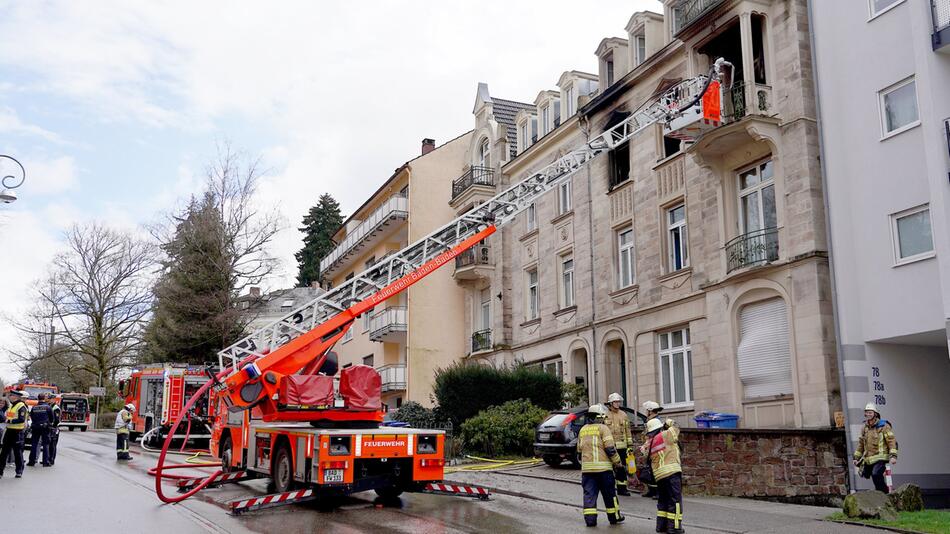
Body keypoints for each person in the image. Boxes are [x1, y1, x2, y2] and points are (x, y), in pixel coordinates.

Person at [577, 404, 625, 527]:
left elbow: (579, 450)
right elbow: (610, 449)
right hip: (604, 470)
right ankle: (614, 517)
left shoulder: (583, 430)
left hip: (587, 471)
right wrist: (618, 463)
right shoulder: (603, 428)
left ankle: (590, 520)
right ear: (600, 416)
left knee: (589, 496)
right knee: (609, 495)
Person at [642, 417, 684, 534]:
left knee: (663, 500)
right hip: (671, 472)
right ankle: (674, 527)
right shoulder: (666, 434)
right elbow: (676, 427)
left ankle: (661, 526)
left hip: (659, 476)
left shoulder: (649, 442)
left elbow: (645, 455)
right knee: (675, 501)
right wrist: (668, 422)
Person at [853, 402, 897, 493]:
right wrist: (856, 458)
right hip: (869, 459)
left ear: (875, 414)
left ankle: (883, 494)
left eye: (870, 412)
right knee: (869, 474)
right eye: (867, 412)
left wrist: (893, 456)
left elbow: (891, 441)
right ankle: (880, 493)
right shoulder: (864, 428)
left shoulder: (884, 426)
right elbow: (861, 444)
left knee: (876, 474)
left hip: (881, 457)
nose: (868, 414)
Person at [605, 392, 633, 496]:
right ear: (611, 403)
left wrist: (629, 446)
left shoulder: (624, 415)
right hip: (610, 446)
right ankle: (609, 488)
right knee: (609, 468)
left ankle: (622, 489)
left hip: (622, 447)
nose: (617, 404)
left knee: (621, 467)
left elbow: (628, 431)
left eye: (618, 402)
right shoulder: (605, 415)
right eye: (615, 402)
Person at [0, 390, 29, 479]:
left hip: (17, 432)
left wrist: (9, 421)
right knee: (4, 452)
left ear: (15, 397)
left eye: (11, 395)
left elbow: (21, 419)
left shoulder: (21, 406)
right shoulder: (11, 406)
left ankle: (19, 471)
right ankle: (0, 471)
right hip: (9, 431)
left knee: (17, 453)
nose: (9, 397)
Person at [639, 400, 665, 498]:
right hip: (649, 447)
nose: (646, 412)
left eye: (647, 410)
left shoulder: (655, 421)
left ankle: (658, 492)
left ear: (650, 411)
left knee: (656, 470)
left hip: (654, 448)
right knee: (649, 469)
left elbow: (653, 437)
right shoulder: (650, 420)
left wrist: (646, 446)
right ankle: (652, 490)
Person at [28, 393, 54, 467]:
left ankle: (31, 461)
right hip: (45, 428)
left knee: (34, 444)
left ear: (38, 398)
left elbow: (32, 417)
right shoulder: (48, 407)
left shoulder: (34, 407)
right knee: (46, 444)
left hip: (35, 427)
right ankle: (45, 462)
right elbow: (52, 418)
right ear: (44, 398)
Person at [48, 396, 62, 466]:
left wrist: (52, 426)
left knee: (53, 445)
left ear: (54, 399)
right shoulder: (49, 406)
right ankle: (48, 458)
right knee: (49, 444)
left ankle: (51, 460)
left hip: (54, 428)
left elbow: (56, 420)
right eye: (49, 399)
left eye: (50, 399)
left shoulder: (56, 408)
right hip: (50, 428)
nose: (49, 400)